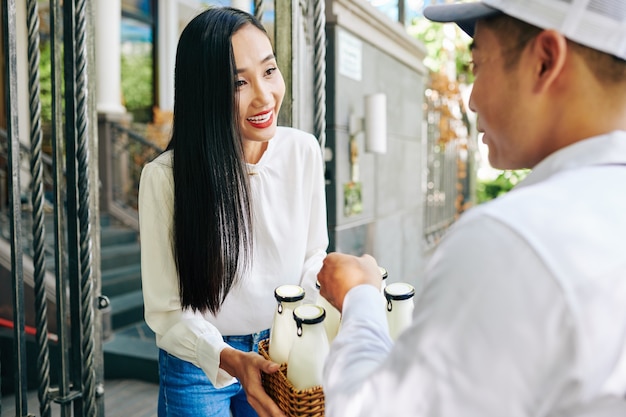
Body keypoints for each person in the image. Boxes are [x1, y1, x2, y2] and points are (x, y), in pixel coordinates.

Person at [317, 0, 626, 416]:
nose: (471, 100)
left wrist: (360, 297)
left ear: (545, 61)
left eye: (477, 65)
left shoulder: (512, 242)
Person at [138, 7, 328, 417]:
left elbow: (314, 255)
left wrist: (331, 296)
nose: (264, 96)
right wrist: (228, 357)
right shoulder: (166, 178)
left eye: (269, 71)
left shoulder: (303, 151)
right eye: (238, 82)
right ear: (204, 92)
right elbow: (166, 312)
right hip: (199, 366)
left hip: (281, 352)